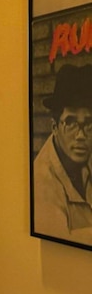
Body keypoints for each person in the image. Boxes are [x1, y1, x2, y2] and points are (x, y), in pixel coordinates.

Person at [33, 63, 92, 245]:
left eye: (89, 123)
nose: (81, 135)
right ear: (55, 127)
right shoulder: (42, 186)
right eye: (71, 123)